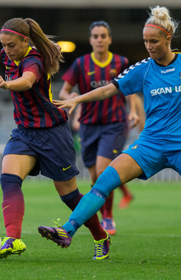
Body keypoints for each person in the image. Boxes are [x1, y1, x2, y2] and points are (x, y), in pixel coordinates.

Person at [38, 6, 181, 263]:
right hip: (149, 145)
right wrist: (78, 100)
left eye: (153, 41)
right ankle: (68, 230)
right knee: (102, 184)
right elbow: (109, 90)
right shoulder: (143, 69)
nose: (149, 46)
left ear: (168, 39)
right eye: (145, 41)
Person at [0, 18, 111, 260]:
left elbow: (28, 81)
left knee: (70, 196)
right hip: (24, 132)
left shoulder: (34, 59)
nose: (6, 50)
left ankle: (100, 236)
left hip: (53, 133)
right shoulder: (7, 54)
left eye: (11, 45)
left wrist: (7, 84)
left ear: (25, 41)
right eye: (3, 45)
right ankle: (13, 239)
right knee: (9, 179)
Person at [59, 20, 133, 235]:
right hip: (88, 126)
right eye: (96, 36)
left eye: (103, 36)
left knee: (102, 171)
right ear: (90, 40)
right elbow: (64, 90)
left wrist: (135, 111)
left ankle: (108, 217)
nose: (100, 40)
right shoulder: (81, 64)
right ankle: (104, 214)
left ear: (109, 39)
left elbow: (132, 89)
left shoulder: (121, 62)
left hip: (114, 124)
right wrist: (71, 97)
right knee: (94, 178)